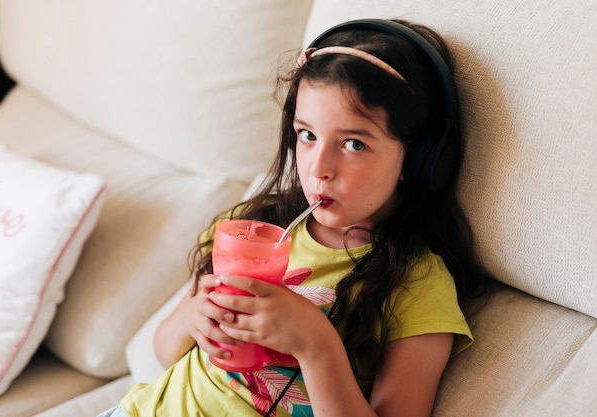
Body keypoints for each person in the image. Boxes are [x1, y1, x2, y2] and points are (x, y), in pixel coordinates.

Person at [99, 18, 491, 417]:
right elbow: (167, 353)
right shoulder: (253, 226)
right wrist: (194, 315)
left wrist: (315, 345)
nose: (319, 167)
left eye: (354, 143)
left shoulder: (418, 284)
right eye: (307, 135)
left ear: (421, 158)